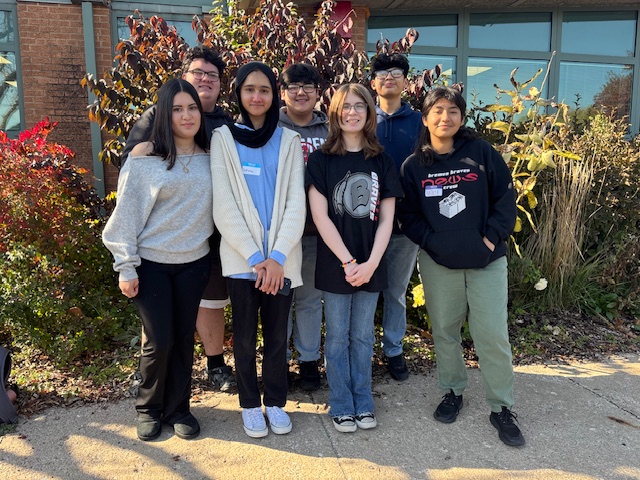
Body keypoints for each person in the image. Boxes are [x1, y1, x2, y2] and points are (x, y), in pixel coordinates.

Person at [397, 86, 524, 447]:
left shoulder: (482, 153)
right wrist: (435, 244)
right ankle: (452, 391)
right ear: (425, 118)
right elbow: (408, 216)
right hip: (440, 264)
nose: (445, 117)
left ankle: (501, 407)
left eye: (453, 110)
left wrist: (489, 240)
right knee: (445, 331)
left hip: (486, 261)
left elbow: (505, 198)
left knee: (492, 335)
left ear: (461, 117)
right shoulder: (413, 167)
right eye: (437, 110)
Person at [103, 78, 212, 441]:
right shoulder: (145, 160)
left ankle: (179, 407)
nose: (186, 115)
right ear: (164, 114)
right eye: (177, 109)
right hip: (151, 264)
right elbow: (125, 219)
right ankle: (148, 407)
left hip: (195, 262)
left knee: (183, 337)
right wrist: (126, 265)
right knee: (159, 338)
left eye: (192, 107)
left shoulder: (215, 157)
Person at [122, 46, 235, 392]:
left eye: (212, 76)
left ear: (219, 86)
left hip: (213, 237)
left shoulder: (228, 123)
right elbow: (134, 173)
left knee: (211, 301)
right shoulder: (155, 118)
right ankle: (151, 374)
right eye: (197, 73)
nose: (204, 80)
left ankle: (215, 365)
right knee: (159, 316)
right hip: (163, 242)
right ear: (183, 79)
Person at [210, 61, 305, 438]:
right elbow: (224, 205)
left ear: (273, 95)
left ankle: (276, 403)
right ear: (238, 93)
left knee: (278, 337)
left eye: (264, 90)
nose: (257, 96)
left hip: (282, 263)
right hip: (241, 262)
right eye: (250, 89)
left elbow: (296, 205)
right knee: (246, 337)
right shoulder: (222, 139)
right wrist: (255, 258)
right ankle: (250, 405)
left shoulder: (290, 141)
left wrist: (276, 257)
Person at [307, 84, 402, 433]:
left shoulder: (382, 160)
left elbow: (387, 219)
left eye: (360, 106)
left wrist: (371, 264)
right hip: (337, 264)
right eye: (345, 106)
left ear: (369, 112)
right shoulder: (320, 160)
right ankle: (342, 403)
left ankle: (364, 401)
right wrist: (349, 263)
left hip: (372, 263)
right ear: (334, 112)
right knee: (336, 336)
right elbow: (320, 216)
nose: (352, 112)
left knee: (363, 336)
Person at [369, 53, 423, 381]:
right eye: (382, 73)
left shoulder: (420, 122)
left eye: (396, 72)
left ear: (406, 81)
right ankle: (358, 348)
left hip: (404, 224)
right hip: (362, 224)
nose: (389, 77)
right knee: (360, 290)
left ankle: (393, 349)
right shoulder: (360, 117)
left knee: (395, 291)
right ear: (373, 82)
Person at [278, 63, 328, 391]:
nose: (301, 92)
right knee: (279, 300)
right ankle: (277, 362)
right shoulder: (270, 127)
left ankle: (309, 360)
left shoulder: (329, 129)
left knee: (310, 298)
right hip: (280, 232)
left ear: (318, 92)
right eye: (294, 86)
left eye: (308, 86)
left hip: (317, 232)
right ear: (283, 92)